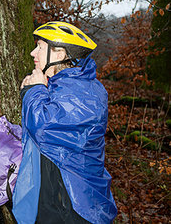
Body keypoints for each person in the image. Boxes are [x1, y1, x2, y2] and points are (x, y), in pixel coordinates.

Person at [12, 21, 117, 224]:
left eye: (40, 47)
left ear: (59, 54)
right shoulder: (63, 86)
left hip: (74, 202)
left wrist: (33, 91)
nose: (33, 53)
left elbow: (45, 128)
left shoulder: (83, 91)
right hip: (58, 198)